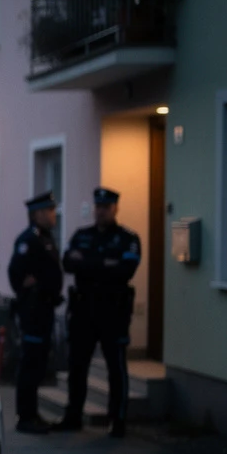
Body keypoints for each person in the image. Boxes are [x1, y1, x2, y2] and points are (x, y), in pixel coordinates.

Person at [62, 187, 141, 437]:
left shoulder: (128, 238)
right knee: (78, 366)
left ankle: (117, 420)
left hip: (113, 313)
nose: (101, 212)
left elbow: (126, 271)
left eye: (106, 208)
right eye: (98, 207)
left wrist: (87, 263)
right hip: (84, 312)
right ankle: (73, 416)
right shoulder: (82, 235)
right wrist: (106, 263)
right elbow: (68, 263)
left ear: (115, 209)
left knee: (116, 368)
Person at [7, 191, 65, 434]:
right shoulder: (28, 240)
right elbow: (15, 273)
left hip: (45, 309)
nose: (54, 214)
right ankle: (25, 417)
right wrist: (27, 288)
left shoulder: (45, 237)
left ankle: (33, 414)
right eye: (50, 211)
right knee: (30, 363)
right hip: (33, 311)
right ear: (38, 213)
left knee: (39, 363)